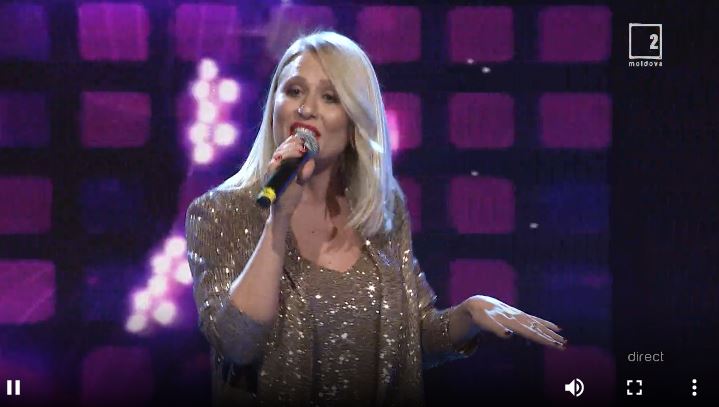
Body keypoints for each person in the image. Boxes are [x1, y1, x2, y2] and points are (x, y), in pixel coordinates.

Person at [185, 31, 567, 406]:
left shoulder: (381, 210)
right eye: (294, 91)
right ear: (274, 104)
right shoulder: (221, 212)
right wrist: (278, 217)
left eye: (330, 97)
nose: (306, 108)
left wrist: (469, 313)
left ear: (355, 121)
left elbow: (412, 341)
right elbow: (237, 343)